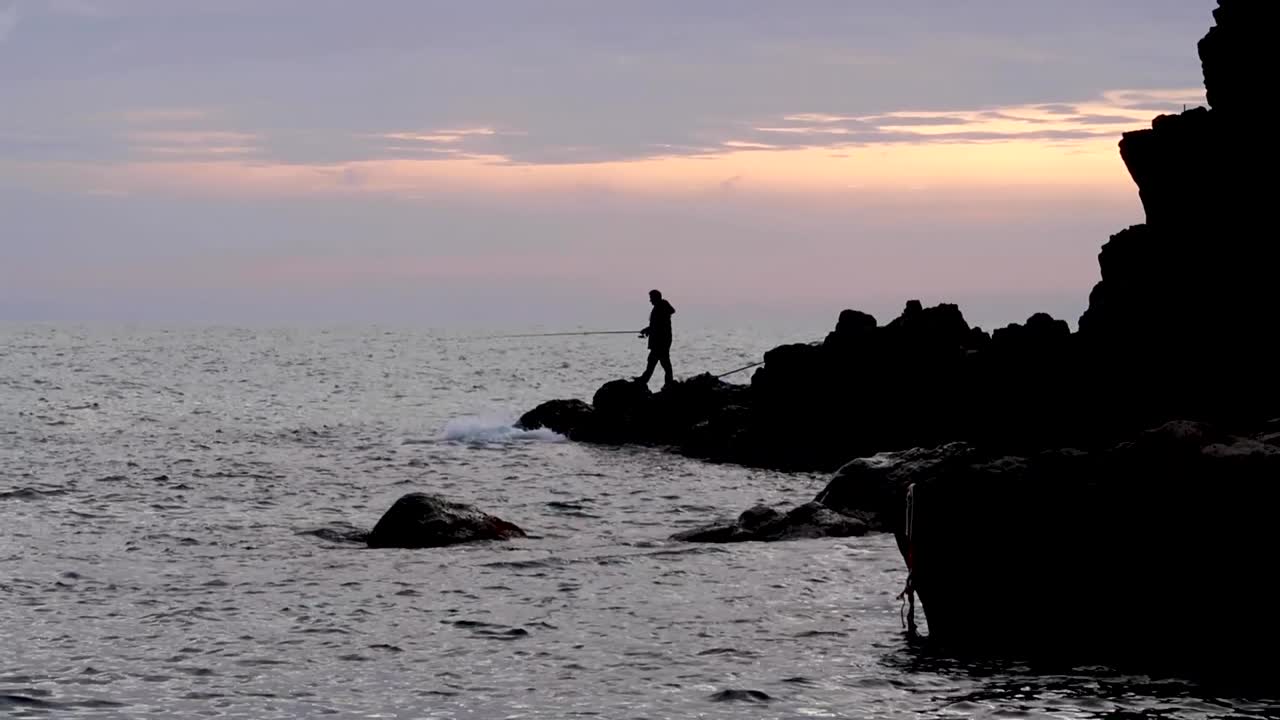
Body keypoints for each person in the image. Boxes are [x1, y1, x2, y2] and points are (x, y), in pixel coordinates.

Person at [636, 289, 675, 387]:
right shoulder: (660, 307)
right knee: (660, 362)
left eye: (651, 298)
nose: (650, 301)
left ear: (656, 298)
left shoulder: (661, 307)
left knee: (659, 362)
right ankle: (666, 383)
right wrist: (648, 330)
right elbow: (656, 325)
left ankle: (644, 381)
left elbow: (659, 325)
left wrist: (648, 330)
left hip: (661, 342)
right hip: (661, 341)